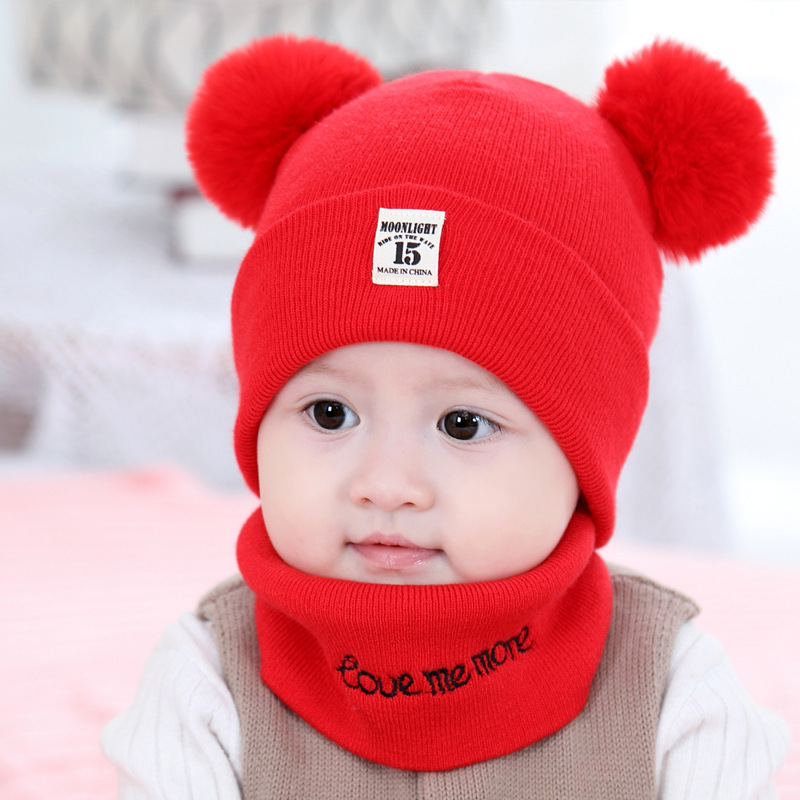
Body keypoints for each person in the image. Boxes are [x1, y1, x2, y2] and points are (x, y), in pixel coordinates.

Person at [101, 35, 790, 798]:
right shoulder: (206, 685)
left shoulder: (674, 695)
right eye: (329, 414)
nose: (387, 485)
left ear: (585, 456)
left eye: (464, 425)